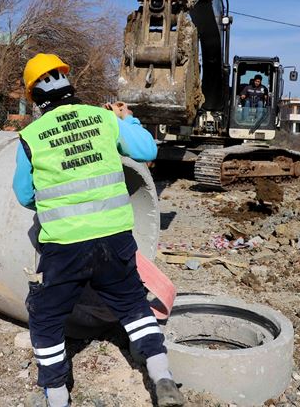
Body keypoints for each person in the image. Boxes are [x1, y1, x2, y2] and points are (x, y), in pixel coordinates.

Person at [12, 53, 185, 407]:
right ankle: (162, 376)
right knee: (134, 306)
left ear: (34, 97)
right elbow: (147, 149)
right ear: (67, 80)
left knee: (46, 317)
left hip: (65, 246)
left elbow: (24, 195)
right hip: (115, 239)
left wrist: (54, 205)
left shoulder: (30, 136)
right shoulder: (104, 118)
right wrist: (129, 120)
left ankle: (58, 396)